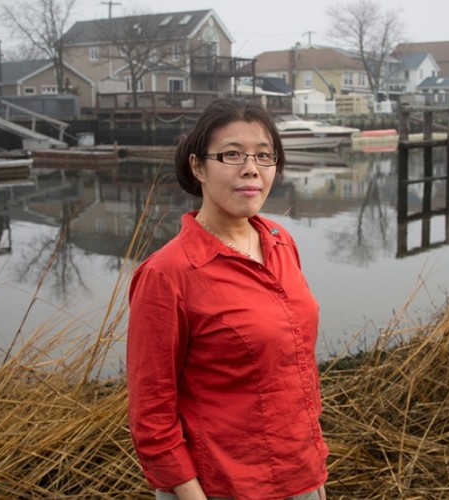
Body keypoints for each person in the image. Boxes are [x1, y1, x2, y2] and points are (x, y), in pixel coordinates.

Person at [126, 98, 329, 500]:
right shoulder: (167, 274)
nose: (251, 168)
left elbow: (298, 374)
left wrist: (315, 477)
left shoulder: (281, 243)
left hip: (301, 476)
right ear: (198, 167)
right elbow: (151, 414)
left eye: (263, 155)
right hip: (221, 487)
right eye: (232, 154)